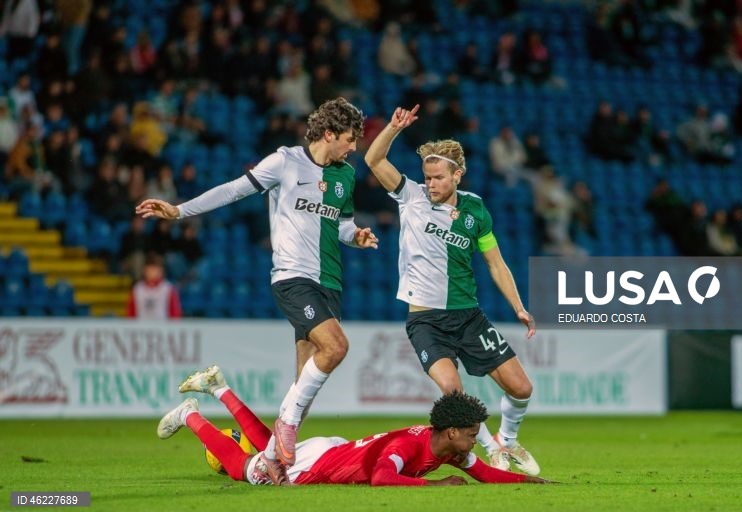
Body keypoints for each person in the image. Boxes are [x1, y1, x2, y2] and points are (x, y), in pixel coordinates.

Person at [135, 98, 378, 483]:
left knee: (303, 387)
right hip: (293, 278)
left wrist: (356, 236)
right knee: (336, 347)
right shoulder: (285, 162)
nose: (354, 147)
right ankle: (278, 438)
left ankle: (268, 460)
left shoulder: (345, 175)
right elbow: (233, 190)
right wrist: (180, 211)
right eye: (350, 139)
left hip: (330, 282)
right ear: (329, 133)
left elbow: (342, 225)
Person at [363, 105, 540, 476]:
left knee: (522, 388)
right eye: (427, 177)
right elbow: (373, 159)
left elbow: (495, 262)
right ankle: (492, 450)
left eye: (439, 178)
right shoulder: (410, 196)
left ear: (458, 175)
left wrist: (519, 307)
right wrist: (393, 129)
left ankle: (508, 441)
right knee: (454, 395)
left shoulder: (476, 210)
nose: (431, 184)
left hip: (468, 317)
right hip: (426, 321)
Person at [157, 365, 550, 486]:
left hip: (332, 450)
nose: (475, 441)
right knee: (243, 469)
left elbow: (484, 473)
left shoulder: (444, 447)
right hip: (319, 463)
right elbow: (381, 477)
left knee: (267, 449)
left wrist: (533, 483)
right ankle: (190, 414)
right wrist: (436, 485)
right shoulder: (410, 448)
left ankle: (220, 388)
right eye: (472, 434)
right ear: (452, 432)